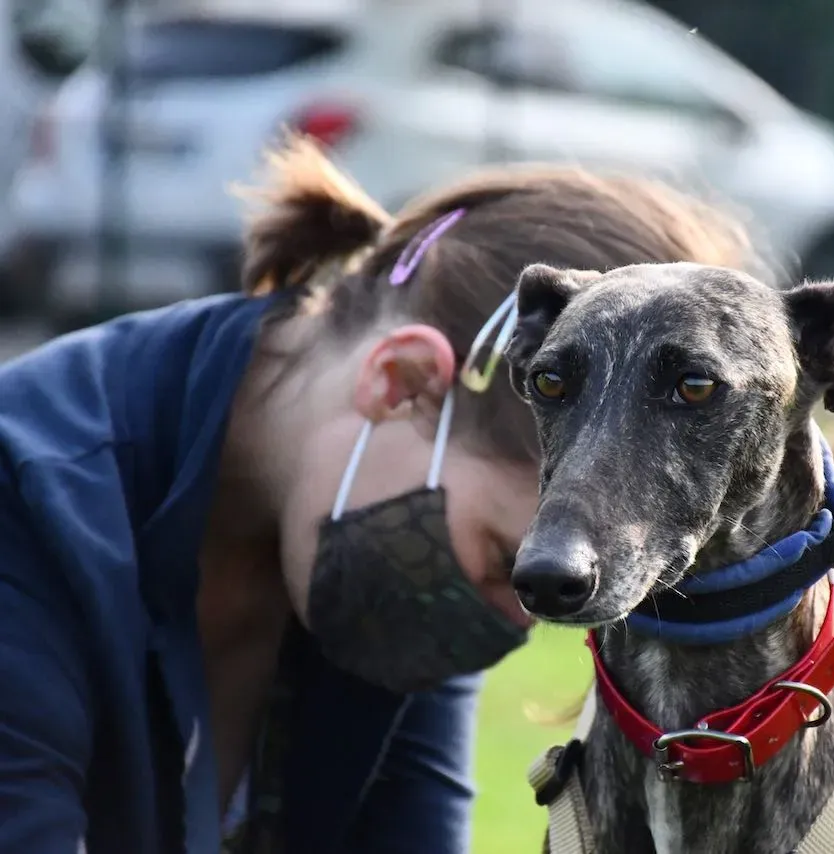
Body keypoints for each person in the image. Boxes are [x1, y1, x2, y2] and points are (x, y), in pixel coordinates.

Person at [0, 138, 760, 854]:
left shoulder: (380, 571)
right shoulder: (27, 504)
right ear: (401, 383)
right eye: (510, 560)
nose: (517, 621)